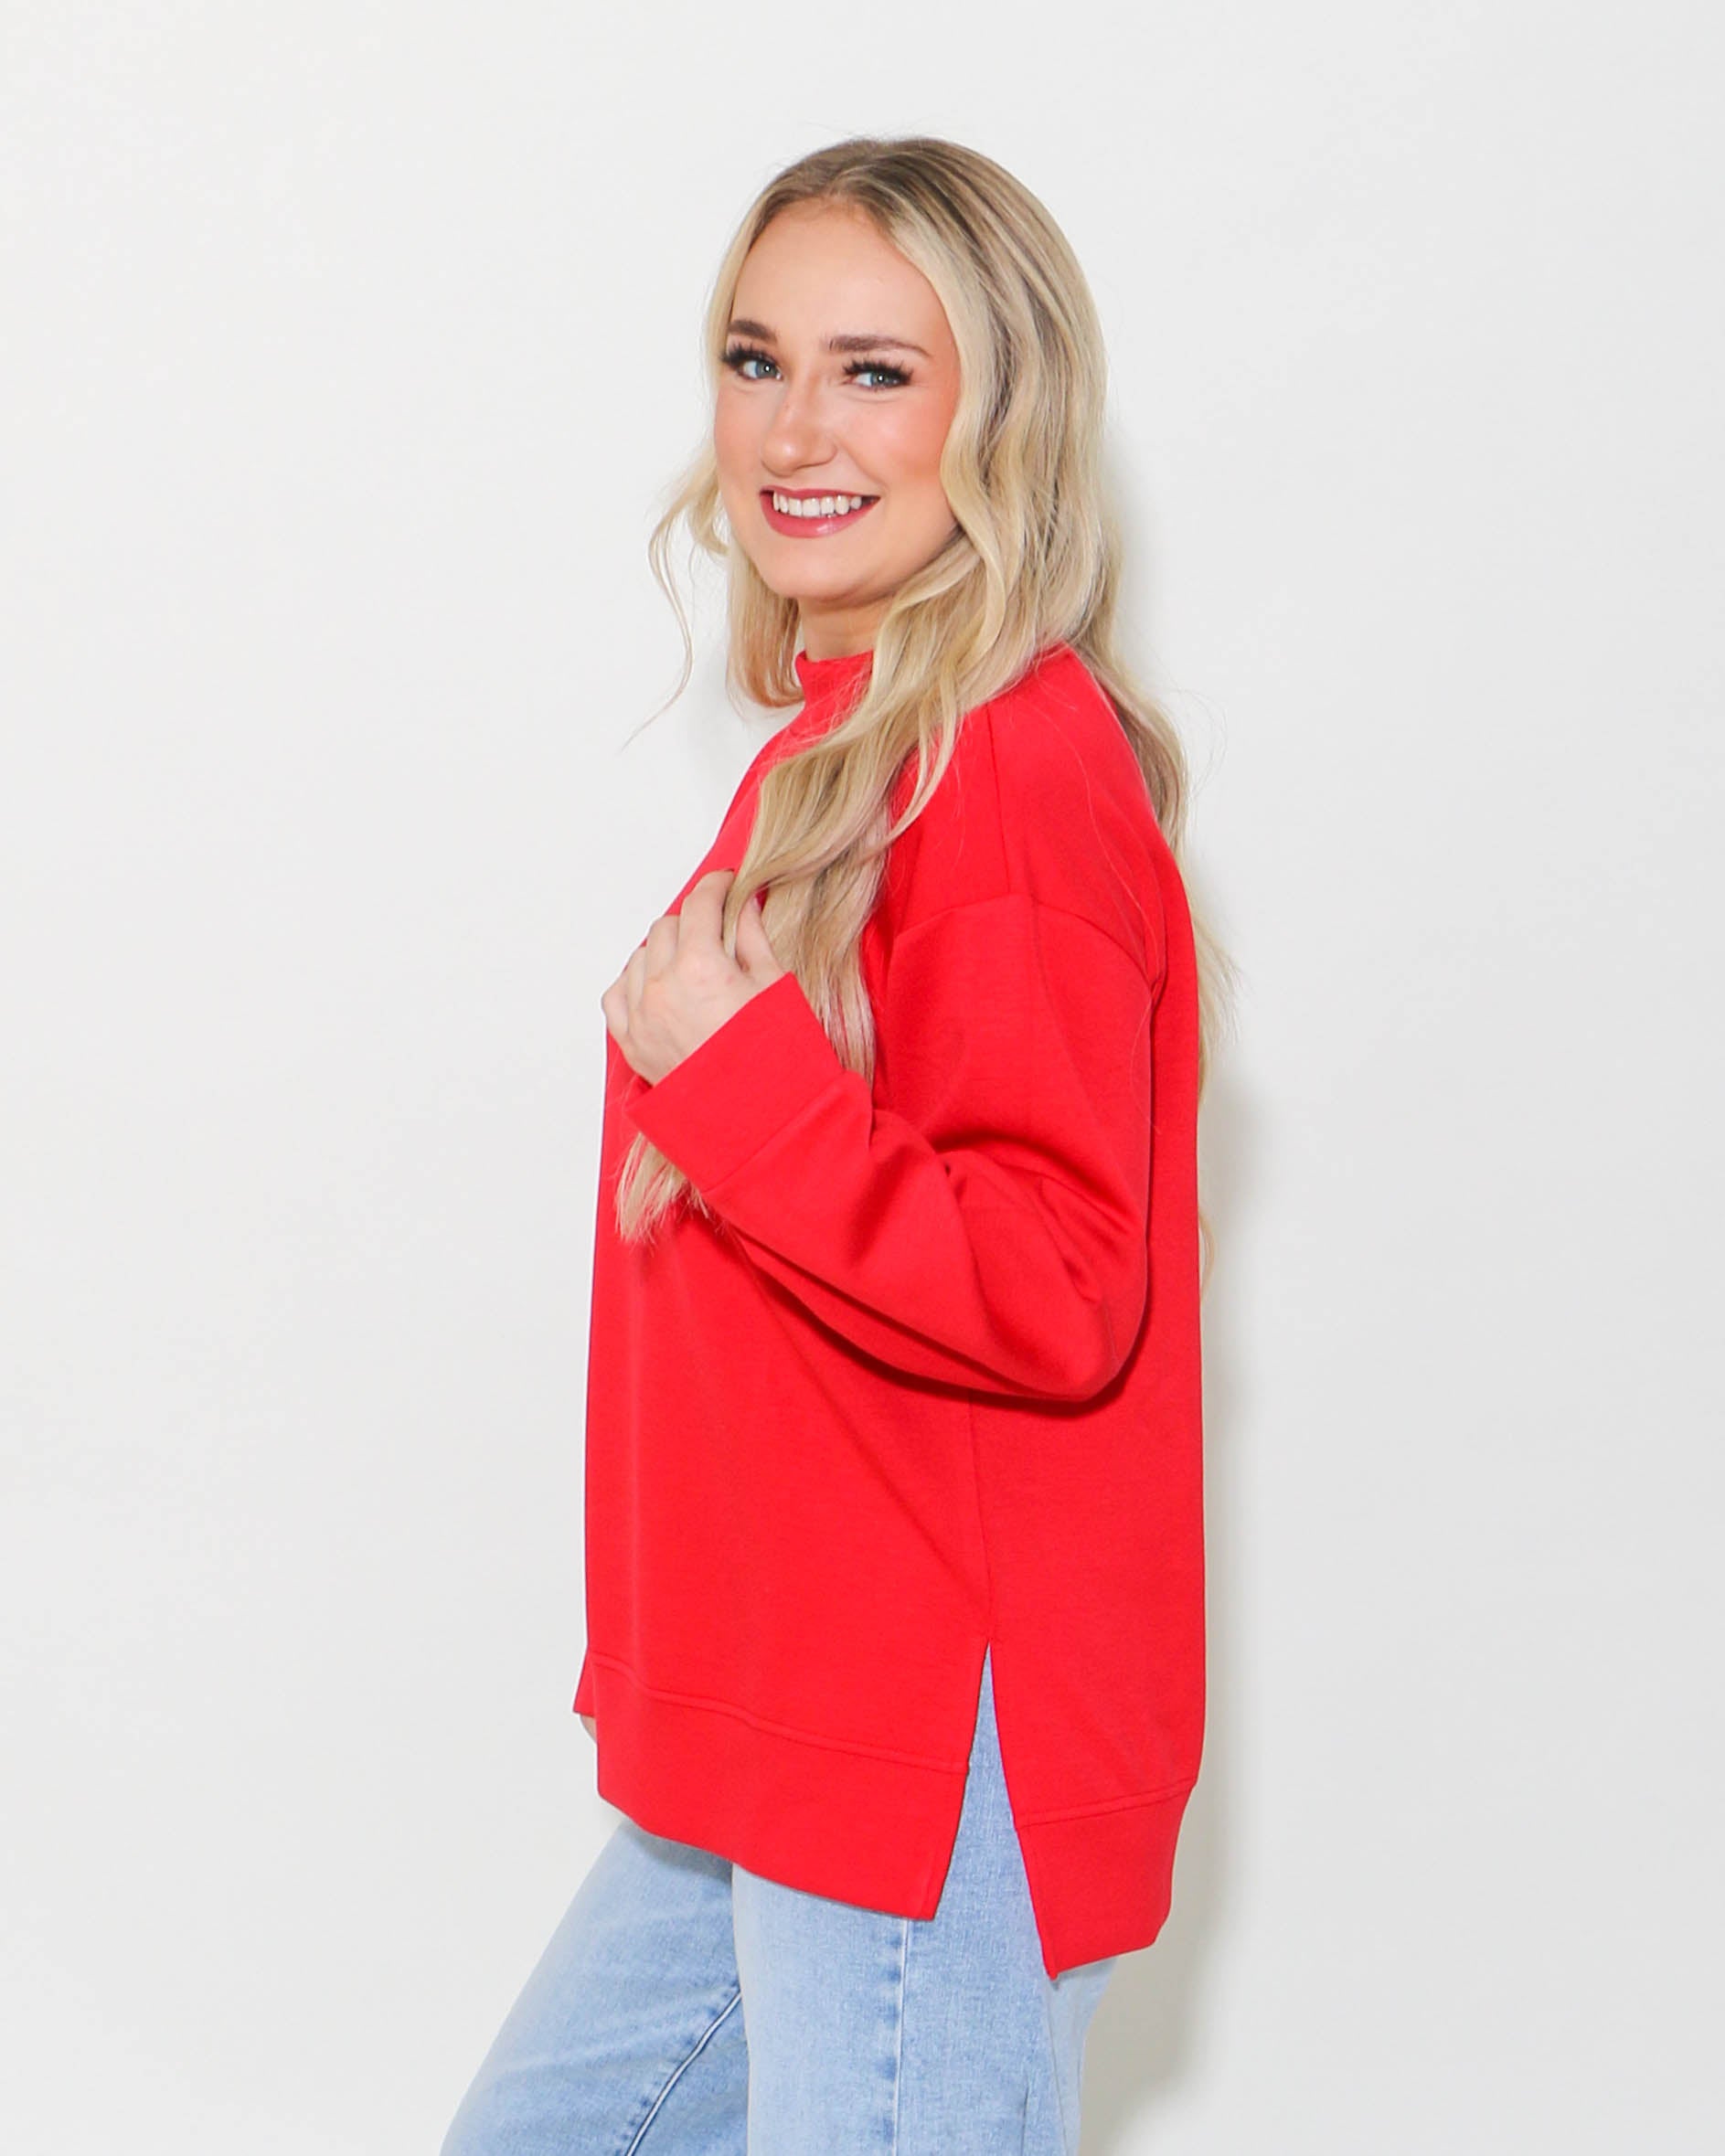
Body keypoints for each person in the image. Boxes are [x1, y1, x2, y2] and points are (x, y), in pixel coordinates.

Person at [441, 133, 1234, 2156]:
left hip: (923, 1739)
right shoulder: (854, 745)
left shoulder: (1008, 768)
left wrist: (736, 1084)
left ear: (1000, 414)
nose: (794, 431)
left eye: (875, 372)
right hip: (793, 1711)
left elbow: (1063, 1286)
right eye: (756, 358)